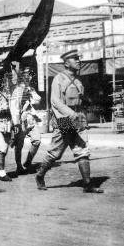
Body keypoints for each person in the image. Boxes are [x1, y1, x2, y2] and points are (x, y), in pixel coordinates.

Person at [35, 50, 103, 193]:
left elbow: (80, 101)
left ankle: (87, 184)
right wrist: (71, 114)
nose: (78, 61)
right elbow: (55, 101)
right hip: (64, 120)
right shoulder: (58, 79)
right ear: (66, 63)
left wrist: (83, 117)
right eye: (75, 59)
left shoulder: (78, 80)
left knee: (82, 150)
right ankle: (40, 175)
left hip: (77, 119)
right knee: (56, 153)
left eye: (78, 58)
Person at [11, 66, 42, 175]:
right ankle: (19, 166)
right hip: (22, 120)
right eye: (25, 75)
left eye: (29, 75)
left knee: (37, 140)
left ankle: (28, 162)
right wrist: (16, 123)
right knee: (19, 145)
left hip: (31, 119)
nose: (28, 77)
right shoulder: (17, 91)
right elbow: (14, 107)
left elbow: (38, 100)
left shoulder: (30, 89)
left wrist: (30, 92)